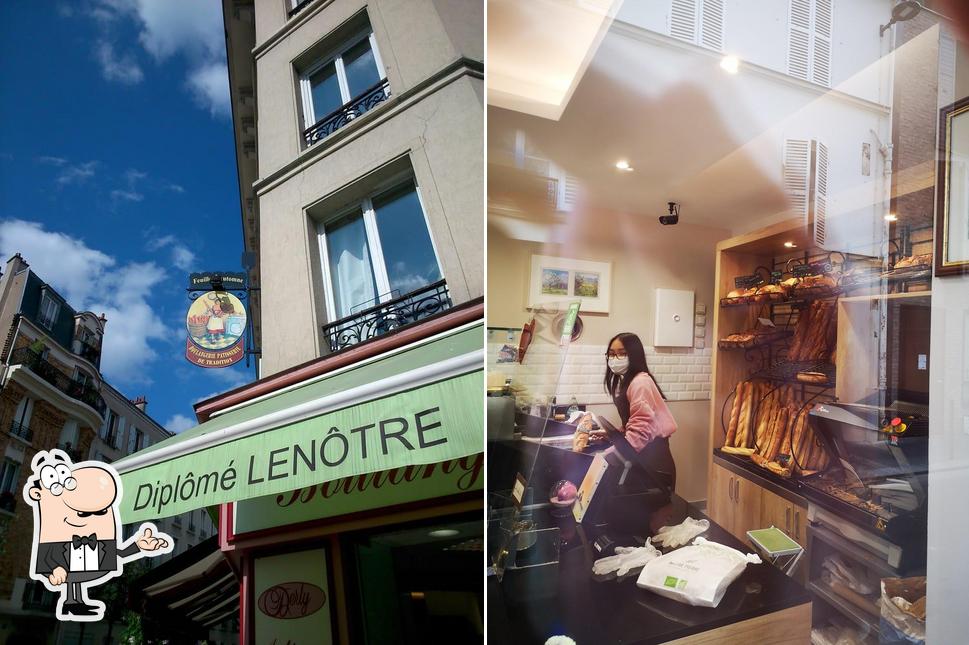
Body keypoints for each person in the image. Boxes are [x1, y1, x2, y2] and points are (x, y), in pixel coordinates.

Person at [602, 332, 678, 497]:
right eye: (612, 354)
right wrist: (612, 434)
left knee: (652, 519)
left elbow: (641, 431)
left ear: (634, 355)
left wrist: (608, 456)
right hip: (642, 457)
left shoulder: (640, 382)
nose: (615, 358)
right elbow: (634, 422)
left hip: (654, 463)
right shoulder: (628, 381)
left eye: (622, 353)